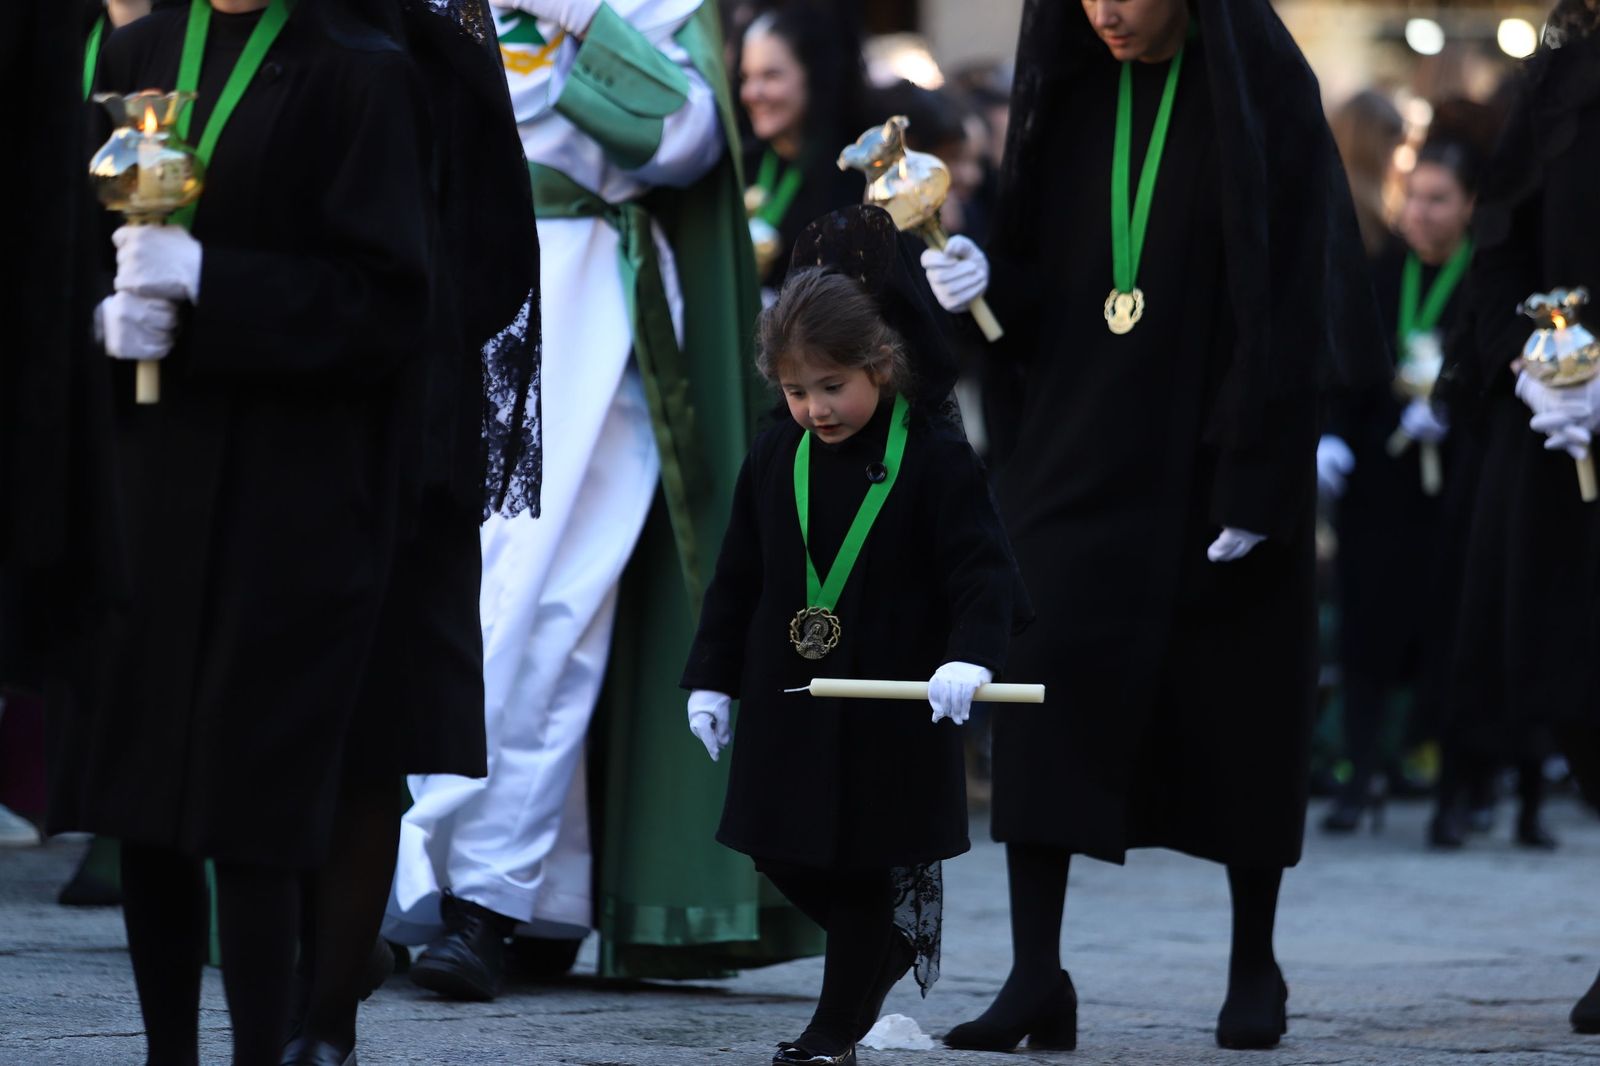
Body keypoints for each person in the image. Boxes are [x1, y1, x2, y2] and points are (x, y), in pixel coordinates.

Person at [49, 2, 540, 1064]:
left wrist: (213, 287)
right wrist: (98, 314)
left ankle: (312, 1031)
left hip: (313, 480)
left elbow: (417, 285)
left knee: (275, 784)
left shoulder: (370, 66)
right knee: (148, 788)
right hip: (156, 478)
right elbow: (54, 243)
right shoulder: (132, 56)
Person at [919, 0, 1385, 1051]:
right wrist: (983, 284)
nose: (1106, 12)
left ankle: (1252, 959)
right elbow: (1038, 289)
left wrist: (1263, 476)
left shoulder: (1259, 91)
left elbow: (1298, 291)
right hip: (1077, 452)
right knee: (1039, 689)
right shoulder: (1074, 94)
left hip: (1220, 453)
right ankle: (1036, 973)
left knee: (1237, 707)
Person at [388, 0, 821, 998]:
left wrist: (583, 20)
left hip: (581, 288)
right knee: (443, 599)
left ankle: (486, 893)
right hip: (437, 279)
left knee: (549, 606)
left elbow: (682, 139)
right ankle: (525, 890)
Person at [682, 205, 1027, 1066]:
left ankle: (833, 1031)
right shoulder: (774, 452)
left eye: (832, 387)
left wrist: (970, 655)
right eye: (796, 392)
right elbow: (737, 576)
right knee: (777, 847)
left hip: (888, 701)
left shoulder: (935, 457)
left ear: (880, 362)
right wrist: (710, 677)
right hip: (787, 695)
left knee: (860, 862)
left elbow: (982, 571)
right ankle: (879, 950)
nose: (814, 409)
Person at [1436, 0, 1600, 1032]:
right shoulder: (1559, 81)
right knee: (1570, 673)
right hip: (1563, 438)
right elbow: (1501, 245)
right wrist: (1537, 364)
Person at [1319, 129, 1480, 833]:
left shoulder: (1484, 282)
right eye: (1414, 197)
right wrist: (1332, 436)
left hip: (1455, 497)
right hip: (1380, 490)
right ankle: (1360, 778)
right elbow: (1346, 365)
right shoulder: (1380, 272)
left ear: (1471, 205)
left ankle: (1454, 790)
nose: (1421, 213)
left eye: (1439, 200)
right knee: (1366, 635)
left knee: (1451, 636)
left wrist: (1456, 413)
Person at [738, 2, 867, 291]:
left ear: (812, 75)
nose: (751, 93)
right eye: (746, 77)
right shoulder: (742, 164)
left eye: (770, 76)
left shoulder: (852, 176)